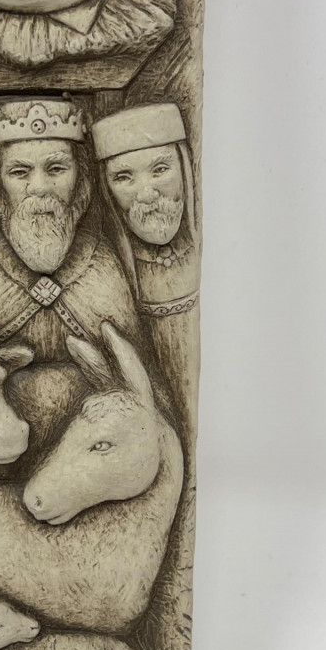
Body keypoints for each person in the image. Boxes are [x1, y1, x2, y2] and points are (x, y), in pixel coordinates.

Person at [0, 98, 139, 361]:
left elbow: (134, 372)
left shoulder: (101, 261)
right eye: (20, 172)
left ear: (81, 180)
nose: (40, 187)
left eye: (56, 169)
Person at [92, 101, 200, 435]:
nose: (147, 194)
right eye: (124, 178)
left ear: (184, 169)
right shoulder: (110, 272)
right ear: (106, 189)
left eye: (160, 170)